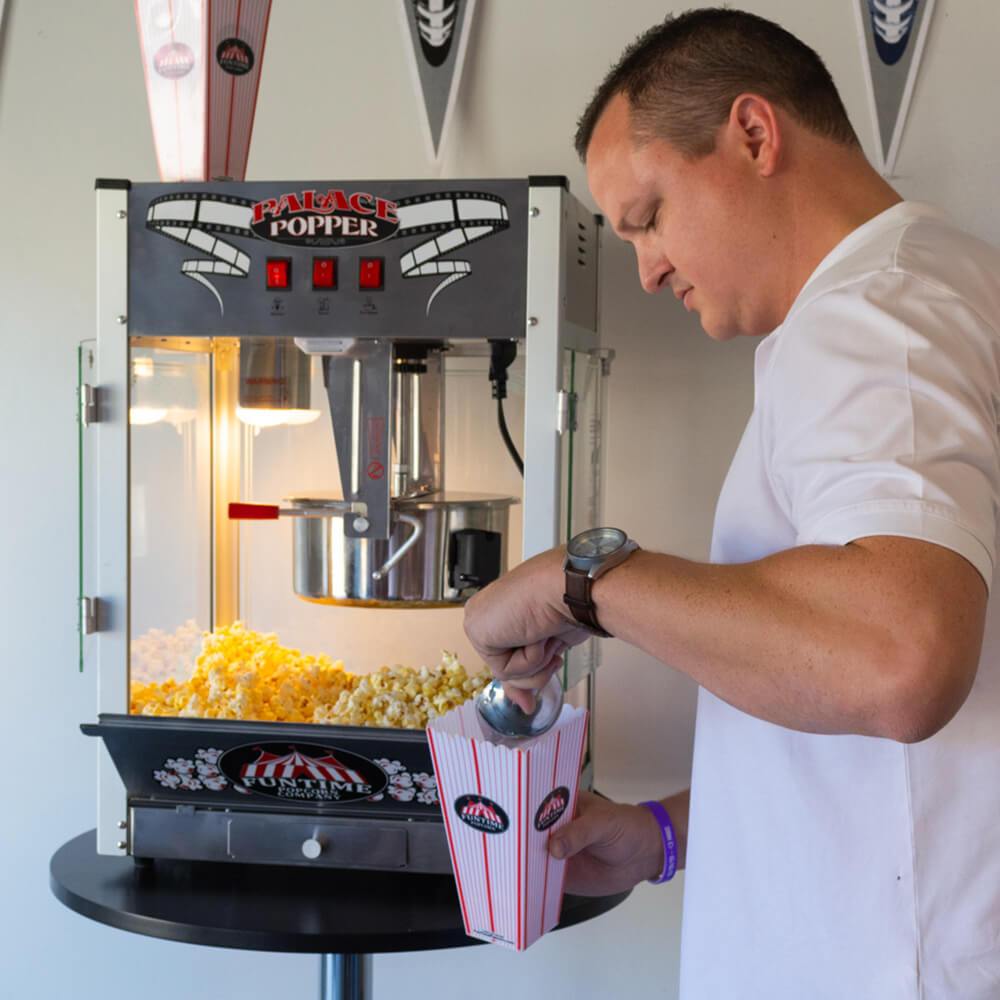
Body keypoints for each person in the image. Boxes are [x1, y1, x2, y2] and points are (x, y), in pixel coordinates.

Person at [463, 8, 1000, 999]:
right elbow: (838, 689)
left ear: (754, 134)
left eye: (649, 216)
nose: (646, 268)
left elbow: (901, 659)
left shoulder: (875, 318)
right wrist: (665, 832)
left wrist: (582, 583)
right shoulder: (930, 290)